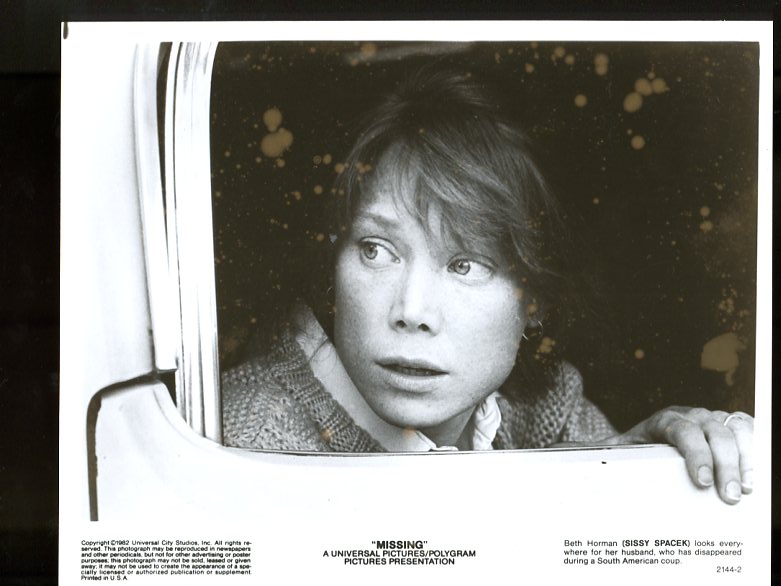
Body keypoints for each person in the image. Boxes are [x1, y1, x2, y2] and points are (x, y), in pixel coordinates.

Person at [221, 66, 753, 505]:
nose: (412, 311)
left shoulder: (541, 408)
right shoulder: (247, 446)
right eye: (376, 250)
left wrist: (634, 460)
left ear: (536, 298)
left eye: (465, 265)